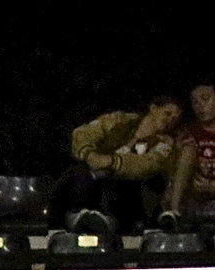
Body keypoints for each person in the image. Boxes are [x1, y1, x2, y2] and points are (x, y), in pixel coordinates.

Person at [55, 96, 182, 235]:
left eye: (175, 119)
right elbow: (83, 133)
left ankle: (105, 220)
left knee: (131, 183)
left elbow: (147, 165)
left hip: (127, 190)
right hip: (95, 179)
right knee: (78, 172)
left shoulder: (166, 143)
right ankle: (78, 216)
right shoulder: (121, 120)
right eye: (167, 113)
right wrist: (89, 155)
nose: (170, 120)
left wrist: (112, 162)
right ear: (153, 108)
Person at [164, 83, 215, 228]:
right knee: (187, 150)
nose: (200, 106)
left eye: (205, 99)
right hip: (195, 198)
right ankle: (173, 214)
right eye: (195, 102)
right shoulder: (188, 132)